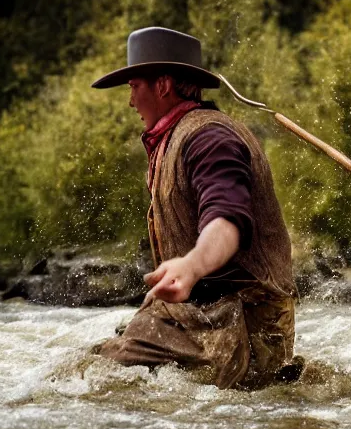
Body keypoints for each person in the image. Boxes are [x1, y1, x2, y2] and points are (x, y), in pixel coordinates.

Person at [91, 27, 302, 389]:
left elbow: (226, 220)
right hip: (204, 318)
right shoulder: (179, 137)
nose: (130, 102)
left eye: (134, 87)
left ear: (163, 86)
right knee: (96, 365)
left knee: (87, 378)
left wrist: (191, 265)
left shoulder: (210, 140)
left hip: (240, 326)